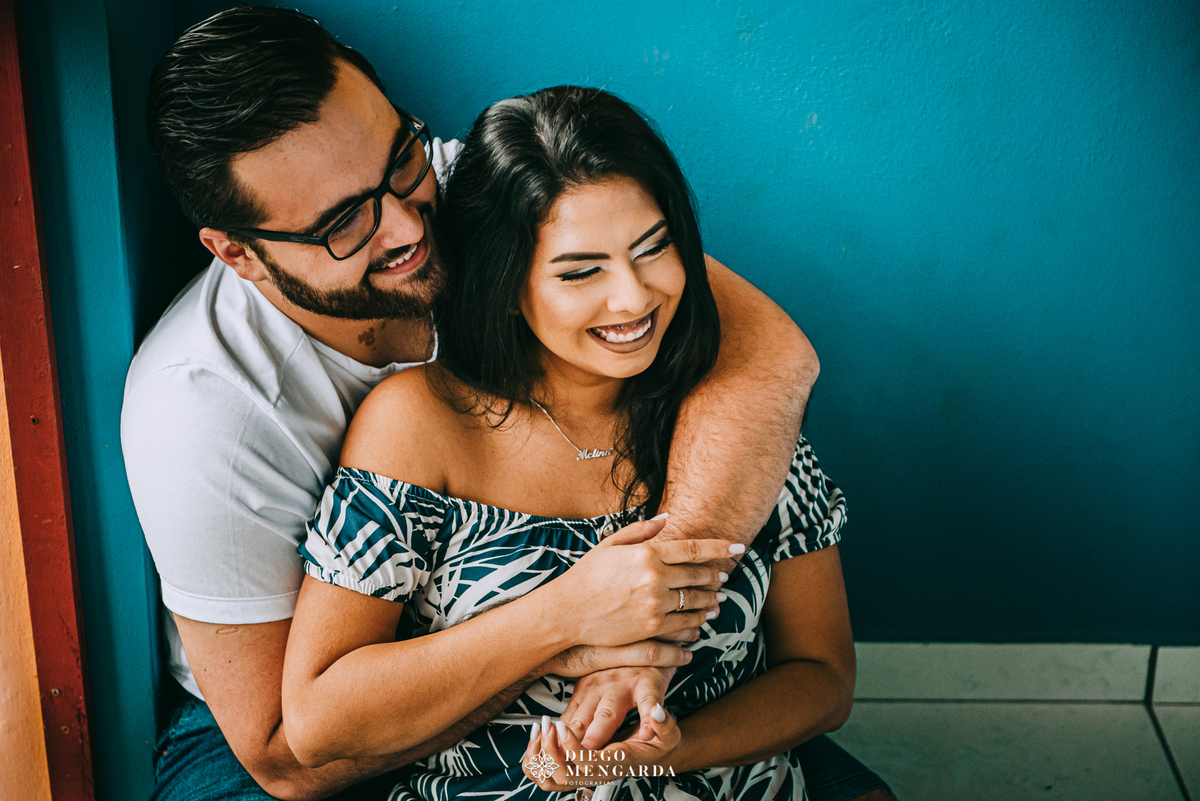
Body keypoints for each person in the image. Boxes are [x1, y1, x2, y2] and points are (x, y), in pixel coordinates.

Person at [123, 6, 892, 801]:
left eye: (401, 159)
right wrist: (575, 620)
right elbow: (293, 749)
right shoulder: (201, 410)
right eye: (344, 223)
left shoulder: (477, 189)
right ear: (238, 251)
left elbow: (765, 351)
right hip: (276, 733)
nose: (407, 227)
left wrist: (653, 623)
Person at [281, 85, 864, 801]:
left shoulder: (735, 415)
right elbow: (317, 721)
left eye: (653, 248)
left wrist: (667, 753)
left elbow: (824, 676)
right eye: (580, 271)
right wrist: (570, 612)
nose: (633, 297)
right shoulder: (419, 423)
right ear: (506, 283)